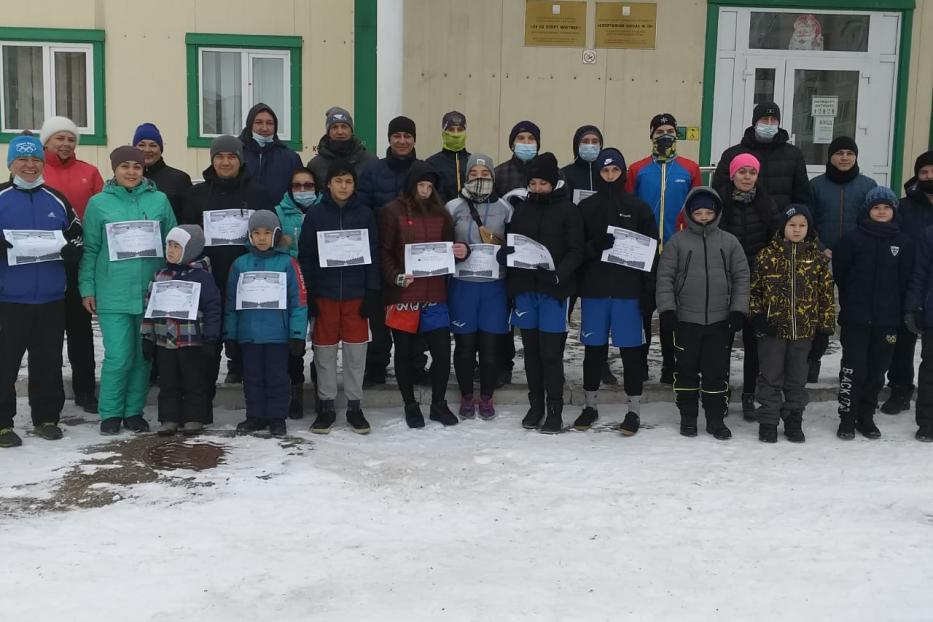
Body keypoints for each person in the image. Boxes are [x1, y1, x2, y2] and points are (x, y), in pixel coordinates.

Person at [79, 146, 177, 435]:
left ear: (144, 169)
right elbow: (91, 249)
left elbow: (172, 240)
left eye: (137, 166)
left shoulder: (159, 199)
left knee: (143, 356)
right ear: (114, 170)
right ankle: (110, 412)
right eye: (125, 167)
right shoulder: (99, 204)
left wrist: (171, 282)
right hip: (113, 293)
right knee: (119, 355)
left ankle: (134, 410)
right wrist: (88, 288)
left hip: (150, 292)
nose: (131, 172)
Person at [0, 134, 83, 447]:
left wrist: (71, 251)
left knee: (48, 361)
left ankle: (47, 417)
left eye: (35, 159)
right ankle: (2, 423)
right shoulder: (1, 197)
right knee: (5, 362)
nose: (30, 165)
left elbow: (78, 236)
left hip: (50, 297)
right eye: (23, 159)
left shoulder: (57, 199)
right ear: (11, 163)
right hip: (8, 298)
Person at [497, 153, 584, 434]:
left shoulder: (568, 210)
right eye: (532, 183)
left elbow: (576, 250)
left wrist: (559, 274)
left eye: (542, 183)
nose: (536, 188)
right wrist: (505, 255)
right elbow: (514, 242)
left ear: (553, 183)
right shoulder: (522, 209)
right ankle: (536, 405)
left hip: (553, 291)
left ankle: (555, 409)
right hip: (525, 289)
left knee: (550, 352)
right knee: (531, 351)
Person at [180, 135, 273, 392]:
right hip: (209, 277)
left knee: (247, 334)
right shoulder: (196, 195)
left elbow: (270, 233)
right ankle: (203, 399)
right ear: (212, 160)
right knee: (208, 340)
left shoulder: (258, 193)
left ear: (240, 160)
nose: (225, 162)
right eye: (219, 157)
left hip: (249, 276)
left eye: (231, 156)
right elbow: (187, 235)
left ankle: (246, 382)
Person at [656, 187, 749, 440]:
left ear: (717, 213)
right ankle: (688, 416)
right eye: (699, 212)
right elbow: (664, 277)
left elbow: (742, 277)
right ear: (689, 213)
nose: (704, 217)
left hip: (719, 322)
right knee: (685, 371)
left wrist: (738, 309)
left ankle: (715, 419)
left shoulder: (729, 242)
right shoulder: (678, 242)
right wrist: (667, 310)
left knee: (716, 372)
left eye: (709, 212)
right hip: (686, 320)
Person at [575, 148, 657, 434]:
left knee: (631, 352)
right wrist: (593, 247)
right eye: (604, 171)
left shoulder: (639, 208)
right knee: (593, 351)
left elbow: (651, 252)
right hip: (595, 292)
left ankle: (633, 409)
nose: (610, 176)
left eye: (615, 171)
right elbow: (575, 249)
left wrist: (649, 291)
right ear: (598, 173)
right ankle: (590, 405)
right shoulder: (586, 208)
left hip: (628, 293)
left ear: (623, 173)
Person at [380, 161, 466, 428]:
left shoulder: (441, 214)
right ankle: (410, 404)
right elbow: (384, 251)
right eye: (421, 185)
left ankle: (438, 404)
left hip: (435, 294)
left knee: (442, 353)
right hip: (404, 295)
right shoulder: (391, 211)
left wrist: (461, 252)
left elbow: (452, 248)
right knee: (404, 353)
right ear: (411, 184)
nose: (426, 191)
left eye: (430, 186)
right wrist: (395, 276)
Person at [298, 160, 380, 434]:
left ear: (354, 185)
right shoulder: (316, 215)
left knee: (357, 353)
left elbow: (373, 256)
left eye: (348, 181)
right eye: (338, 181)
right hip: (326, 295)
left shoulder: (366, 214)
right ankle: (326, 406)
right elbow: (307, 257)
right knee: (325, 353)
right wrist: (309, 292)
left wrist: (371, 292)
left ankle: (355, 405)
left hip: (357, 295)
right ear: (328, 184)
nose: (343, 186)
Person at [748, 204, 834, 443]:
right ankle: (768, 420)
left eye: (802, 225)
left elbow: (826, 296)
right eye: (792, 225)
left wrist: (825, 329)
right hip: (772, 332)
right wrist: (758, 318)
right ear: (782, 227)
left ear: (809, 228)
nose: (797, 230)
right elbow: (754, 292)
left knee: (797, 378)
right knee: (770, 377)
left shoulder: (817, 259)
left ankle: (794, 419)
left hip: (804, 332)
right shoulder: (767, 256)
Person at [626, 113, 702, 385]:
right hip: (644, 251)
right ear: (651, 135)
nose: (665, 136)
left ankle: (670, 365)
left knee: (672, 313)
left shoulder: (689, 169)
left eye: (670, 131)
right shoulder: (637, 169)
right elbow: (629, 207)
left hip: (677, 249)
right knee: (643, 311)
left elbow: (698, 209)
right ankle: (641, 363)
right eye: (659, 132)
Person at [833, 186, 912, 440]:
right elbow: (841, 275)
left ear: (893, 211)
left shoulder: (903, 242)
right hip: (857, 319)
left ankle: (866, 417)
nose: (881, 211)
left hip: (888, 321)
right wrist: (852, 303)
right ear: (868, 210)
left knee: (878, 371)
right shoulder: (852, 240)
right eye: (876, 207)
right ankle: (847, 417)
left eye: (886, 207)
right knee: (854, 368)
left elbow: (906, 281)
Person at [39, 115, 102, 414]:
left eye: (71, 138)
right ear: (46, 142)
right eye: (59, 138)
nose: (65, 144)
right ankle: (49, 395)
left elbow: (102, 213)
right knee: (48, 333)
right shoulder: (36, 172)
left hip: (80, 261)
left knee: (81, 331)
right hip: (46, 263)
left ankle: (85, 391)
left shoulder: (89, 173)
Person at [224, 211, 308, 437]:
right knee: (252, 378)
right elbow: (231, 303)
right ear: (250, 235)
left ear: (277, 234)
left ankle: (277, 417)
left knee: (277, 377)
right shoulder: (240, 264)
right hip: (248, 335)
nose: (261, 238)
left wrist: (297, 334)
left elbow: (299, 301)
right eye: (256, 233)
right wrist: (230, 335)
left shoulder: (289, 263)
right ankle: (255, 416)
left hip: (277, 335)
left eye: (267, 233)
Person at [358, 115, 424, 387]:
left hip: (415, 254)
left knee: (414, 309)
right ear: (389, 139)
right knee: (380, 312)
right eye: (397, 135)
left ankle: (415, 364)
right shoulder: (373, 170)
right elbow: (363, 208)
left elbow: (433, 207)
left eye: (407, 136)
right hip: (380, 251)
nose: (402, 140)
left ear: (414, 139)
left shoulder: (423, 169)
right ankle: (377, 364)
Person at [447, 153, 512, 420]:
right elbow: (441, 245)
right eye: (474, 174)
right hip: (463, 286)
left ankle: (486, 396)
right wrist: (453, 251)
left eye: (485, 175)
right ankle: (465, 396)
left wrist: (507, 253)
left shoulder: (506, 208)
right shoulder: (453, 207)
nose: (479, 179)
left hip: (494, 286)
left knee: (489, 347)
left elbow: (515, 242)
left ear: (493, 178)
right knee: (464, 346)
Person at [807, 136, 877, 384]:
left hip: (855, 262)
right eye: (839, 153)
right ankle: (811, 361)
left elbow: (872, 222)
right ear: (830, 157)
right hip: (820, 259)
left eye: (849, 153)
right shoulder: (816, 185)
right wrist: (821, 248)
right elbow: (808, 222)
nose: (844, 157)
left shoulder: (868, 186)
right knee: (818, 314)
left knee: (851, 315)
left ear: (856, 156)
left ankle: (849, 364)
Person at [141, 225, 221, 436]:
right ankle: (169, 418)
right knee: (168, 381)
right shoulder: (160, 275)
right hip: (164, 341)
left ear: (191, 249)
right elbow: (150, 307)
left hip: (191, 340)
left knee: (193, 380)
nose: (171, 250)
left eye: (177, 246)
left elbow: (213, 307)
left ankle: (194, 417)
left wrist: (211, 338)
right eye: (169, 245)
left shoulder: (202, 276)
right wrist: (147, 336)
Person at [717, 153, 780, 420]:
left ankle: (749, 394)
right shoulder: (719, 202)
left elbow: (774, 241)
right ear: (732, 175)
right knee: (722, 342)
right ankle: (719, 391)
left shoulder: (767, 204)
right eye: (741, 172)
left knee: (754, 343)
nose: (746, 177)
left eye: (751, 173)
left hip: (757, 282)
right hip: (725, 280)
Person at [881, 151, 933, 415]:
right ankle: (900, 389)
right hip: (908, 282)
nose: (929, 177)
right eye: (924, 172)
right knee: (903, 340)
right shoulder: (903, 207)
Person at [494, 120, 542, 387]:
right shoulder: (500, 173)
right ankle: (504, 364)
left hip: (537, 255)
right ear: (512, 143)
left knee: (531, 314)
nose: (526, 142)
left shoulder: (547, 172)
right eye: (521, 138)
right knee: (505, 313)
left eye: (531, 138)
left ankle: (539, 365)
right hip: (508, 251)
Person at [276, 167, 320, 419]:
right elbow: (272, 245)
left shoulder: (324, 209)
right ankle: (295, 391)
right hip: (290, 283)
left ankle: (317, 388)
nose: (303, 190)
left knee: (321, 339)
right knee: (294, 341)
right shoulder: (278, 212)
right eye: (297, 186)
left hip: (319, 281)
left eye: (308, 185)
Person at [711, 102, 810, 212]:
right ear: (755, 123)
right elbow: (719, 191)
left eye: (773, 120)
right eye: (764, 119)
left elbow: (802, 195)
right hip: (742, 222)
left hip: (781, 222)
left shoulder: (794, 154)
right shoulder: (732, 154)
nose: (769, 123)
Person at [903, 221, 933, 442]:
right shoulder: (928, 234)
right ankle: (927, 422)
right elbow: (919, 274)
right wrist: (913, 307)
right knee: (930, 371)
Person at [238, 102, 302, 202]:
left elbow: (298, 191)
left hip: (278, 215)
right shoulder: (236, 154)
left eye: (270, 123)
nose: (264, 128)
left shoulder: (290, 158)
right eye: (259, 122)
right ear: (250, 125)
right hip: (242, 215)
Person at [133, 122, 193, 222]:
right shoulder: (127, 179)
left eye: (153, 145)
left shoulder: (179, 179)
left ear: (160, 149)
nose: (147, 150)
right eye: (141, 145)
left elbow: (188, 217)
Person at [307, 107, 375, 186]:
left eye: (344, 127)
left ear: (351, 131)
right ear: (328, 132)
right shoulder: (315, 165)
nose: (340, 132)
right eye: (334, 127)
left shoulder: (370, 162)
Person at [426, 110, 471, 202]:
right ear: (443, 133)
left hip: (469, 215)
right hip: (441, 214)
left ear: (465, 132)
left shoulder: (473, 162)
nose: (455, 134)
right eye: (451, 130)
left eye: (460, 129)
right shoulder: (431, 164)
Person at [561, 124, 603, 201]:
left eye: (595, 141)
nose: (590, 145)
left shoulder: (606, 173)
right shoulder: (565, 173)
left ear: (600, 145)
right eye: (585, 141)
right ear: (577, 145)